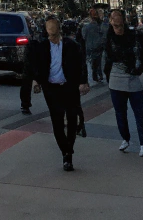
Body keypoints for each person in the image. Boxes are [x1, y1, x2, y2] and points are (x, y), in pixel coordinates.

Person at [30, 15, 90, 171]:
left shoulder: (71, 45)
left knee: (72, 119)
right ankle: (66, 151)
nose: (51, 30)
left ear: (59, 27)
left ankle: (69, 148)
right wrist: (36, 81)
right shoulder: (42, 46)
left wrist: (83, 81)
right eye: (48, 27)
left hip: (69, 86)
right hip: (52, 88)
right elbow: (36, 65)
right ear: (45, 29)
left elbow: (81, 63)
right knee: (57, 121)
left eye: (53, 26)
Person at [105, 7, 143, 156]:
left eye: (118, 20)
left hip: (133, 78)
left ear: (123, 20)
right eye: (113, 21)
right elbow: (107, 59)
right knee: (120, 113)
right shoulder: (109, 36)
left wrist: (139, 69)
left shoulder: (135, 35)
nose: (116, 25)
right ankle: (126, 138)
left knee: (139, 113)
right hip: (115, 80)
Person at [78, 6, 108, 85]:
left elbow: (83, 36)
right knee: (98, 61)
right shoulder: (101, 26)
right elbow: (104, 35)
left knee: (92, 62)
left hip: (89, 46)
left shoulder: (85, 26)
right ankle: (99, 75)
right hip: (98, 46)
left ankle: (95, 75)